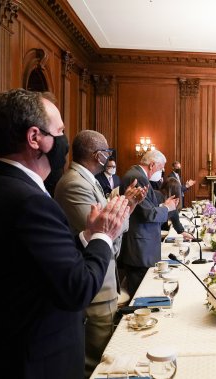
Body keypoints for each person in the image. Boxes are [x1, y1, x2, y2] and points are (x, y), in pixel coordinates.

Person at [0, 88, 130, 379]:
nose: (64, 141)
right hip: (38, 357)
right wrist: (104, 236)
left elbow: (37, 262)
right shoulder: (29, 200)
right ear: (35, 138)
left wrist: (87, 235)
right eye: (59, 131)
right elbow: (77, 288)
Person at [54, 130, 146, 377]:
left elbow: (111, 224)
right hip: (93, 284)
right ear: (98, 155)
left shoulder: (87, 180)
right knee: (95, 362)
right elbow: (102, 233)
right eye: (107, 153)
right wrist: (124, 210)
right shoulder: (75, 183)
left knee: (104, 352)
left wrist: (127, 205)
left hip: (104, 279)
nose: (109, 158)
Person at [120, 150, 179, 296]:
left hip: (142, 245)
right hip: (139, 247)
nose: (163, 171)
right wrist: (167, 208)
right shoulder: (137, 177)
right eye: (161, 167)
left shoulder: (137, 175)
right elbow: (147, 214)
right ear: (152, 164)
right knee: (140, 295)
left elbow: (146, 208)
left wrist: (162, 206)